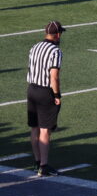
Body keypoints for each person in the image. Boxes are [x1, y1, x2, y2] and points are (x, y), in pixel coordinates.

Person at [27, 21, 65, 177]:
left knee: (34, 127)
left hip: (31, 89)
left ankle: (37, 162)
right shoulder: (55, 51)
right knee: (44, 129)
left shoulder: (35, 47)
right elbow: (53, 77)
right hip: (45, 92)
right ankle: (44, 166)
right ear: (58, 34)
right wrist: (56, 95)